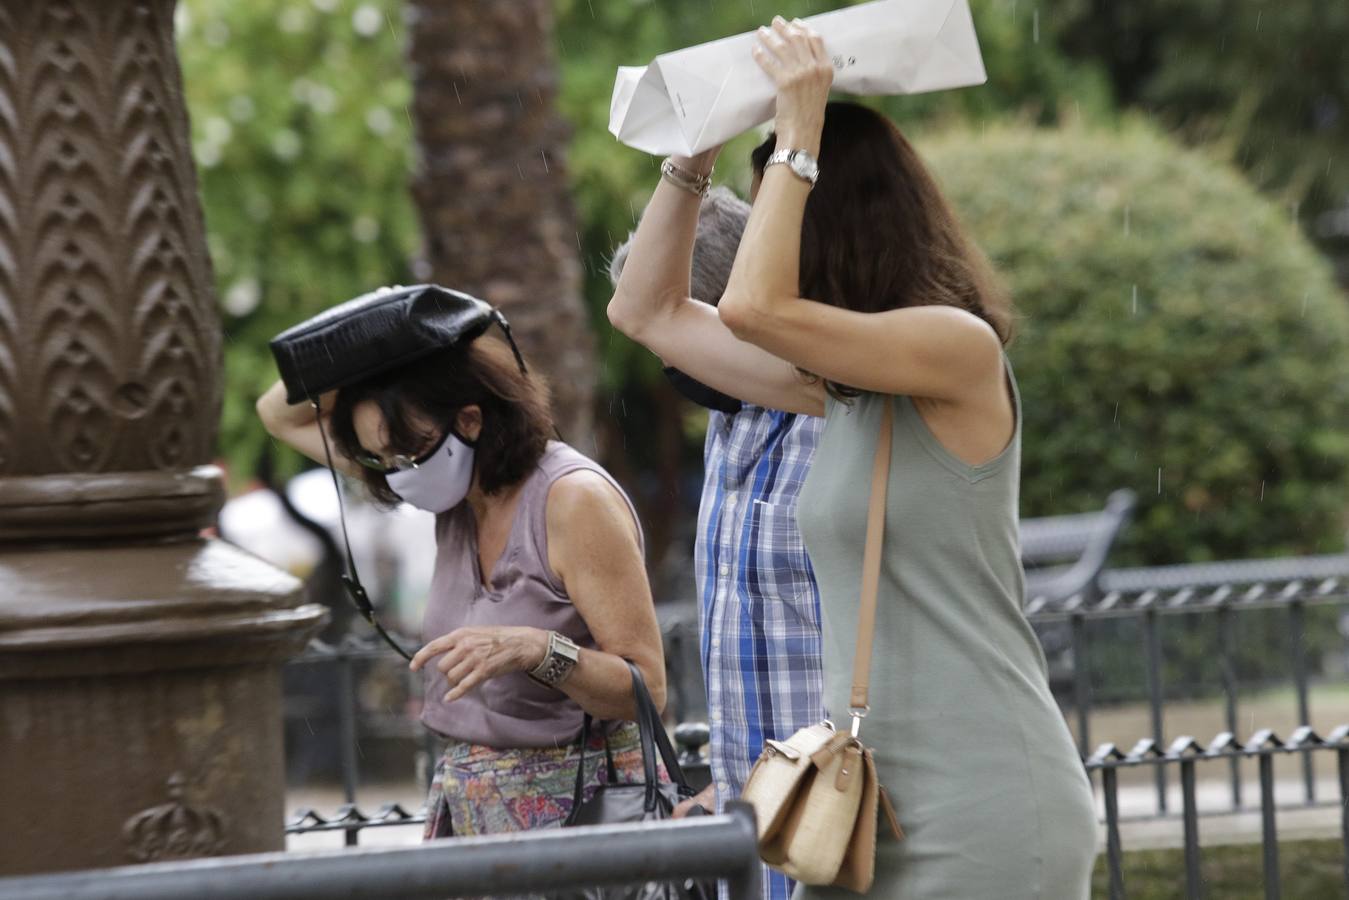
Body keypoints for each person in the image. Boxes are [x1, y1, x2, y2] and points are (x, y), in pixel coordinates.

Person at [607, 15, 1097, 899]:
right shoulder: (842, 388)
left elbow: (752, 309)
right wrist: (694, 157)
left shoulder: (955, 351)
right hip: (858, 801)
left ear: (828, 218)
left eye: (774, 214)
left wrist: (798, 131)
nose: (764, 236)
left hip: (983, 796)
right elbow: (648, 314)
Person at [256, 330, 666, 839]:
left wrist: (538, 649)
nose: (397, 475)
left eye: (410, 453)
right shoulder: (451, 493)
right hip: (470, 812)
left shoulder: (573, 499)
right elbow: (280, 414)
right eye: (379, 460)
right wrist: (373, 337)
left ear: (469, 421)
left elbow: (646, 687)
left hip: (580, 818)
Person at [610, 187, 825, 900]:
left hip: (842, 819)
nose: (667, 366)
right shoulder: (730, 427)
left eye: (675, 337)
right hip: (761, 831)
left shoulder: (837, 422)